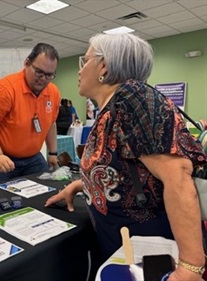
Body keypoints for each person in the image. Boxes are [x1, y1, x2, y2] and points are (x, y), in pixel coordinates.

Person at [45, 33, 207, 281]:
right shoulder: (111, 109)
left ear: (104, 66)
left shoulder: (131, 97)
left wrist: (190, 267)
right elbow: (120, 169)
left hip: (155, 251)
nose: (80, 70)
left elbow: (178, 178)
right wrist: (80, 185)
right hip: (127, 248)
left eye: (84, 60)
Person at [0, 43, 60, 185]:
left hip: (32, 158)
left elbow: (51, 123)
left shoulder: (53, 92)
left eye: (49, 75)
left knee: (44, 194)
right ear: (27, 63)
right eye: (39, 72)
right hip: (2, 156)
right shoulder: (5, 89)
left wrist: (52, 153)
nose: (43, 79)